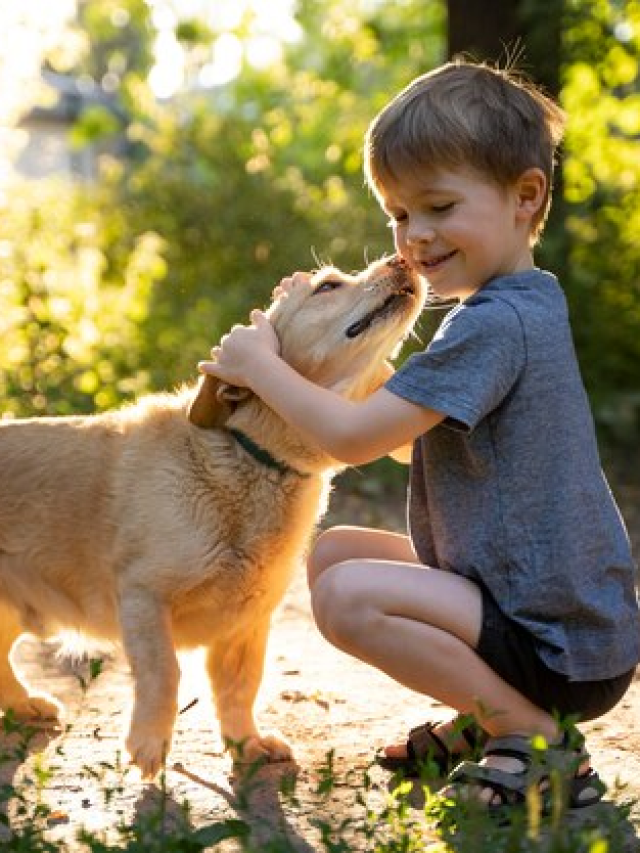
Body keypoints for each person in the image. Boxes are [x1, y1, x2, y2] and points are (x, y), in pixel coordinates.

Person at [198, 60, 640, 814]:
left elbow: (358, 441)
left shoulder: (497, 323)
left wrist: (264, 366)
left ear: (525, 195)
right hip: (541, 606)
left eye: (437, 206)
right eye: (399, 215)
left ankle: (534, 735)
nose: (415, 236)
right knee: (335, 548)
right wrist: (322, 326)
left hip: (558, 644)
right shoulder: (514, 307)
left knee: (345, 597)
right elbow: (411, 437)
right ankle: (489, 716)